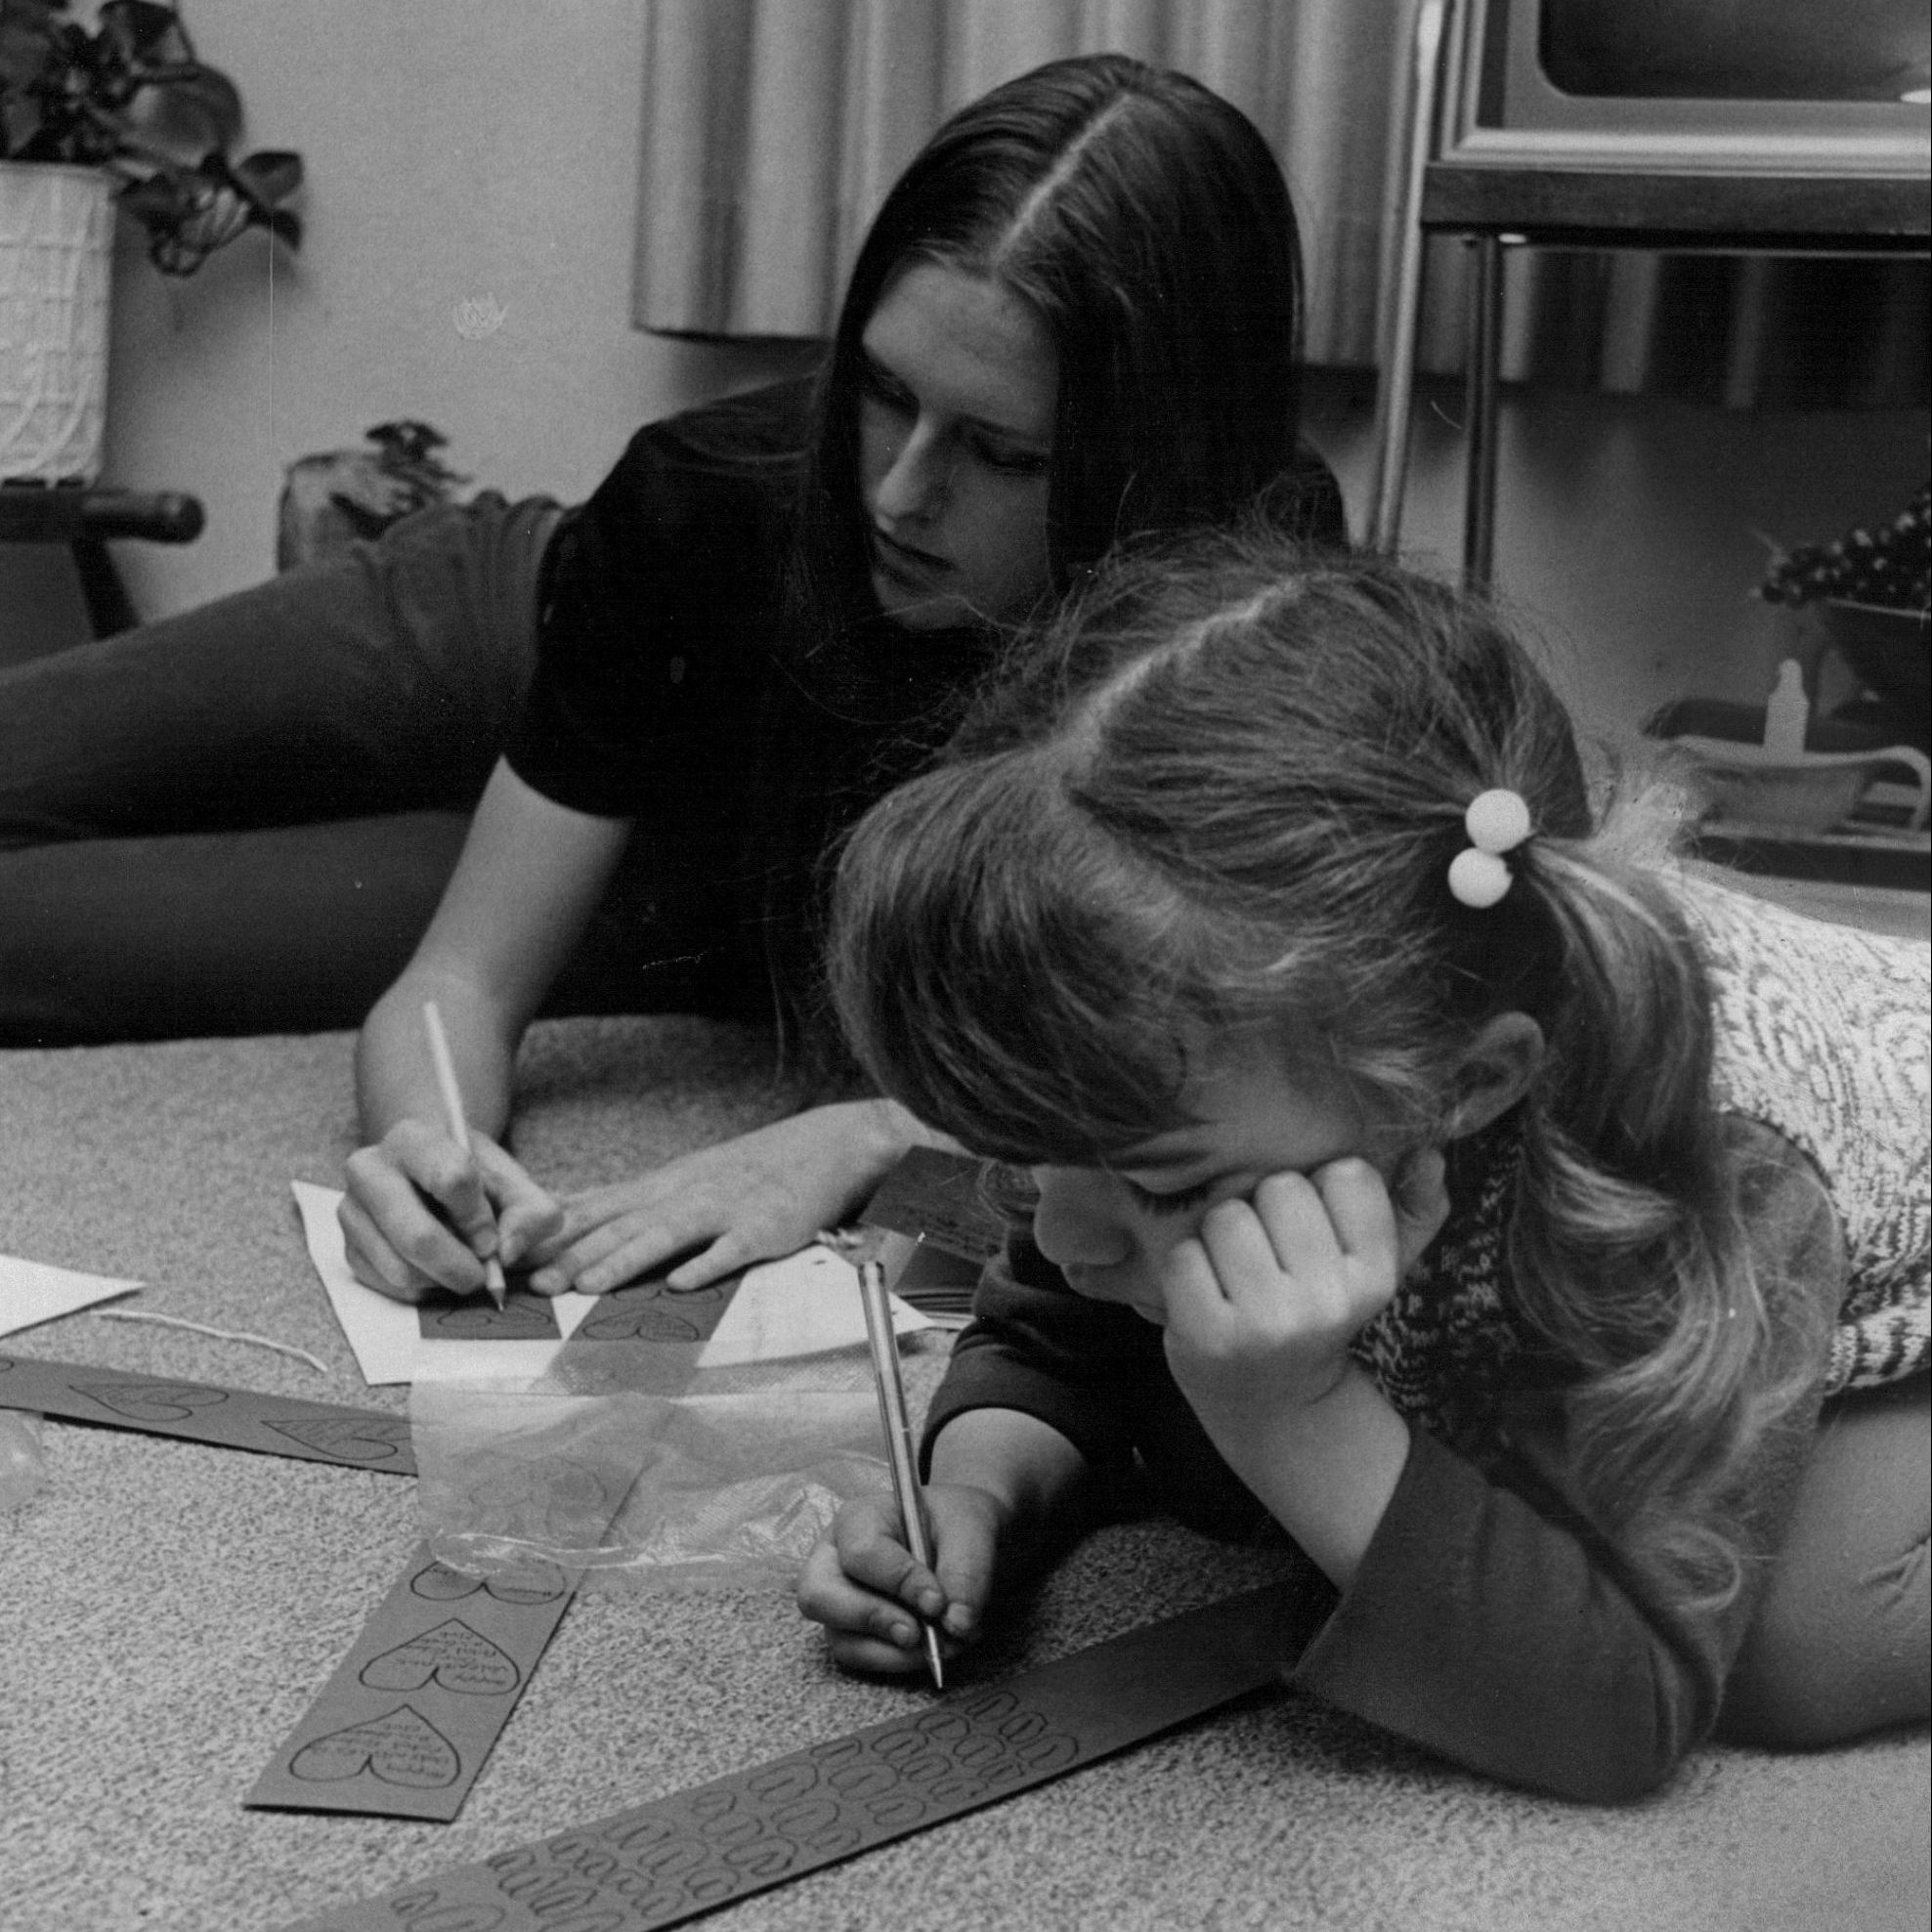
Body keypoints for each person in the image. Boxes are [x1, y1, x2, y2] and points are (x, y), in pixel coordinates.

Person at [795, 530, 1930, 1802]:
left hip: (1846, 1246)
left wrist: (1291, 1411)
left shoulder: (1720, 1166)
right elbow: (1059, 1324)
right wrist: (978, 1486)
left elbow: (1622, 1709)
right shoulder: (1185, 1094)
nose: (1061, 1234)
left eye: (1164, 1186)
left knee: (1787, 1643)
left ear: (1465, 1085)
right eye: (1032, 1158)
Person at [330, 54, 1349, 1306]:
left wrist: (875, 1130)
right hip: (500, 613)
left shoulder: (1237, 572)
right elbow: (462, 980)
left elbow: (1242, 1071)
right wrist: (424, 1154)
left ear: (1151, 468)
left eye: (1000, 451)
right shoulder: (701, 497)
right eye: (878, 393)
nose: (899, 491)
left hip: (640, 861)